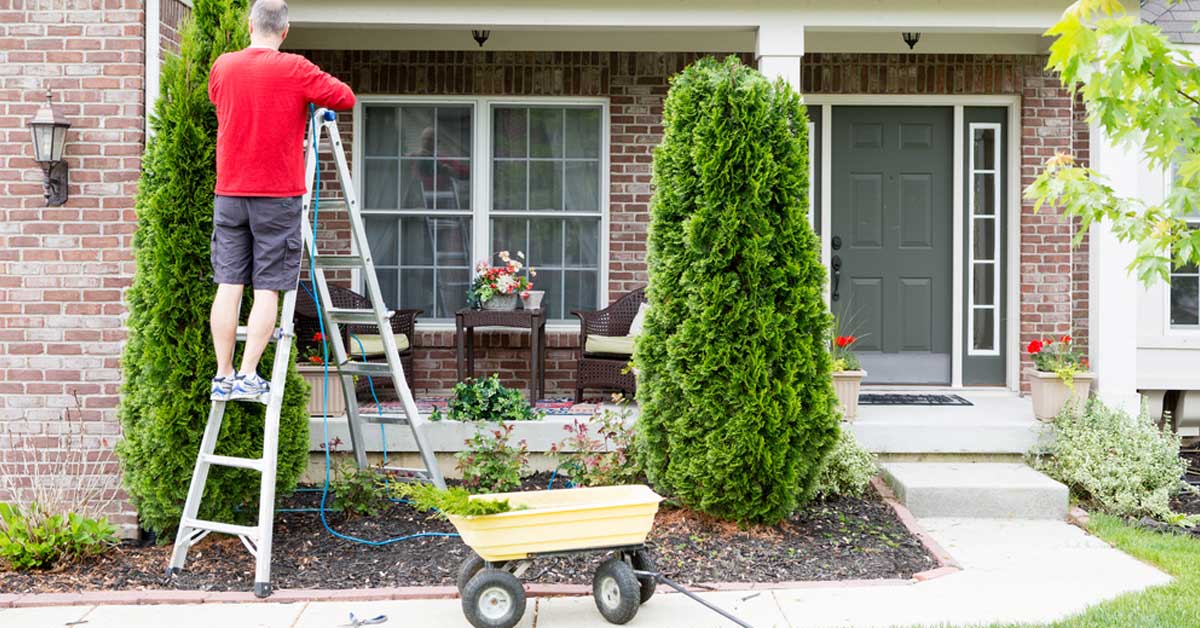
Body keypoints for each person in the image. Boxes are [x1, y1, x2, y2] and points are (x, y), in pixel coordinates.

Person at [207, 0, 355, 403]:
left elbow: (220, 100)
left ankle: (222, 375)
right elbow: (345, 98)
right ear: (285, 32)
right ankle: (249, 375)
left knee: (229, 284)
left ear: (249, 25)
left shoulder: (224, 66)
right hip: (277, 196)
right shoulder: (296, 68)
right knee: (268, 287)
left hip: (230, 194)